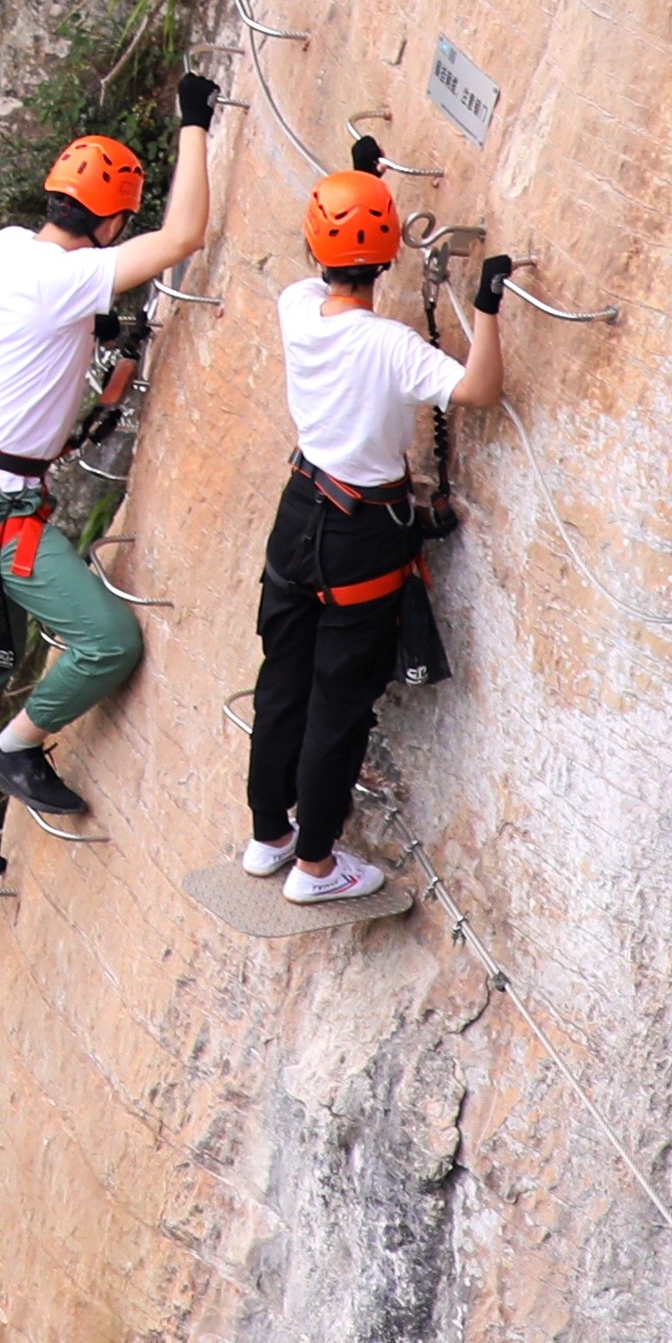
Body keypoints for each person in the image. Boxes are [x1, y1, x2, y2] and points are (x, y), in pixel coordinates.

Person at [0, 84, 221, 871]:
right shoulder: (73, 278)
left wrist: (73, 324)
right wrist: (196, 125)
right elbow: (184, 236)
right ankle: (14, 747)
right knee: (106, 642)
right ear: (107, 223)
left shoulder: (6, 248)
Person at [239, 151, 505, 905]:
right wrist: (486, 306)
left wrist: (361, 187)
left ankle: (270, 836)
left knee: (281, 684)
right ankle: (317, 868)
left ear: (315, 254)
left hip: (298, 518)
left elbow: (341, 243)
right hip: (362, 537)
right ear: (389, 255)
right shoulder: (391, 347)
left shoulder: (296, 306)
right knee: (339, 703)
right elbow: (478, 389)